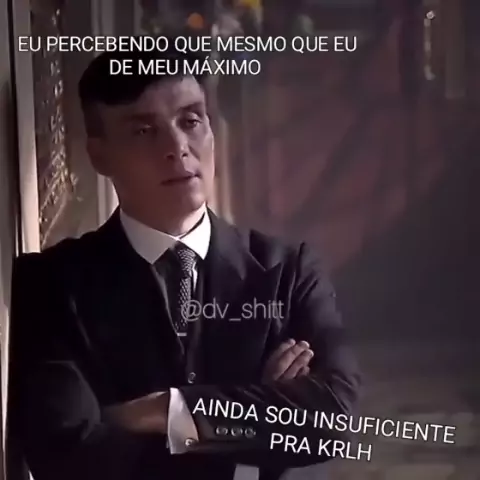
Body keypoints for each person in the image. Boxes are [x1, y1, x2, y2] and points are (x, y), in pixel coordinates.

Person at [7, 43, 360, 480]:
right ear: (99, 155)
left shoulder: (287, 272)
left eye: (190, 121)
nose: (177, 147)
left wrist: (162, 410)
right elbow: (65, 453)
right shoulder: (52, 285)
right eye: (143, 131)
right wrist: (255, 409)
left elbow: (332, 419)